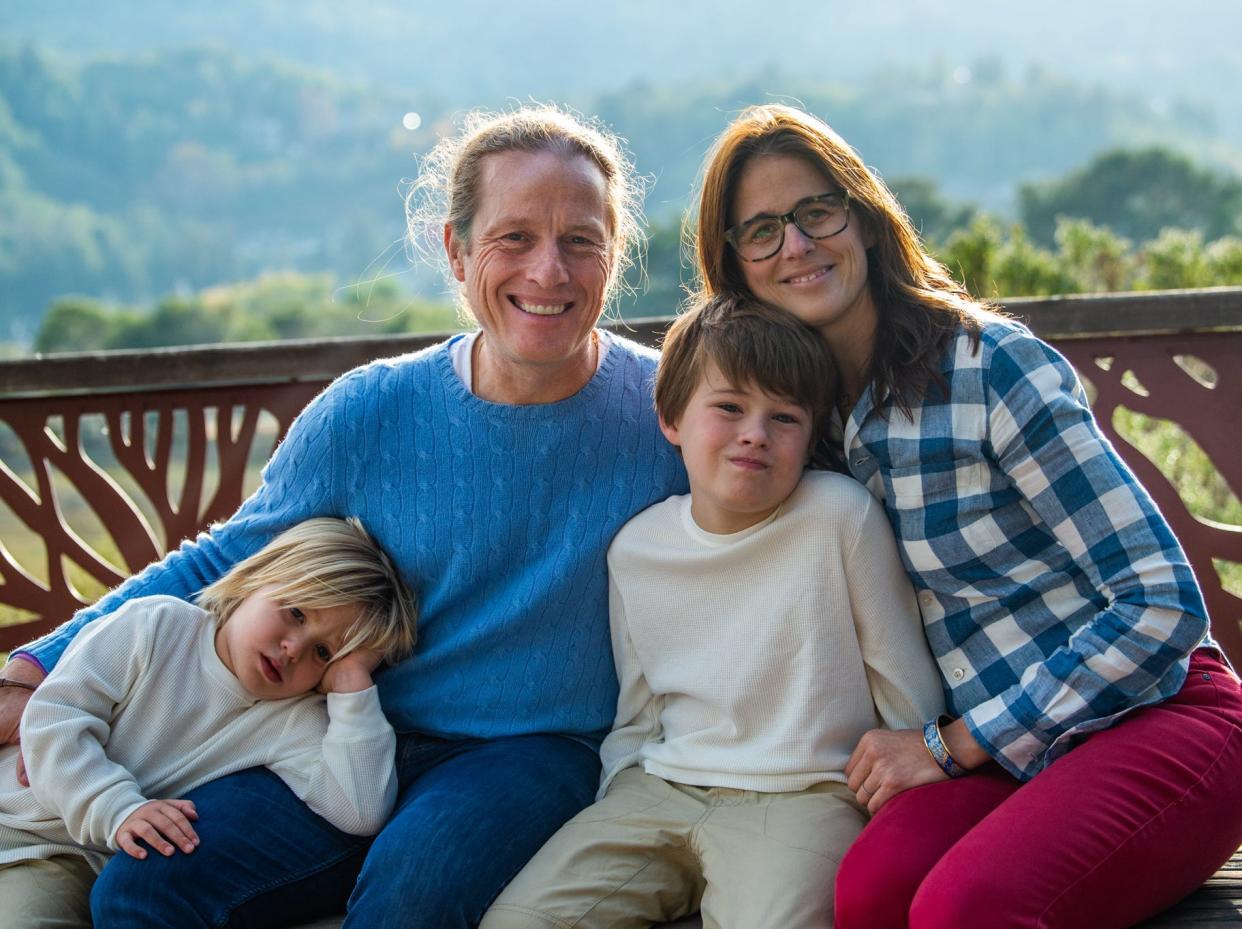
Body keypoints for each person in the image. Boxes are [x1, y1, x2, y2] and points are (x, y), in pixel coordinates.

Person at [0, 105, 687, 929]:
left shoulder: (669, 413)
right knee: (146, 885)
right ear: (457, 251)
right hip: (334, 734)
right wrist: (35, 666)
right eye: (514, 238)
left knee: (409, 899)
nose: (550, 270)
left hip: (530, 751)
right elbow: (227, 557)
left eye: (581, 239)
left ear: (614, 256)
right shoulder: (368, 410)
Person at [690, 102, 1242, 929]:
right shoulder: (796, 426)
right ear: (734, 264)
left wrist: (953, 744)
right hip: (1003, 755)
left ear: (866, 218)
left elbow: (1163, 604)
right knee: (869, 894)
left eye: (815, 211)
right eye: (761, 230)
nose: (796, 246)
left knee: (965, 909)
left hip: (1158, 712)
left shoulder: (990, 368)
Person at [482, 295, 945, 929]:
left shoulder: (838, 515)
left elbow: (903, 687)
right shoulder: (637, 549)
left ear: (811, 439)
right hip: (659, 791)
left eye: (785, 418)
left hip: (805, 796)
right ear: (672, 417)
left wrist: (900, 795)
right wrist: (622, 790)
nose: (755, 432)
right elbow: (638, 711)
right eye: (728, 407)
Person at [0, 516, 417, 929]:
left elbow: (359, 809)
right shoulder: (156, 625)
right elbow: (55, 717)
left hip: (75, 858)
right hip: (17, 824)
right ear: (256, 578)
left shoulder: (291, 719)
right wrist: (117, 808)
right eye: (296, 613)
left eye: (324, 653)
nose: (294, 649)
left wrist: (352, 690)